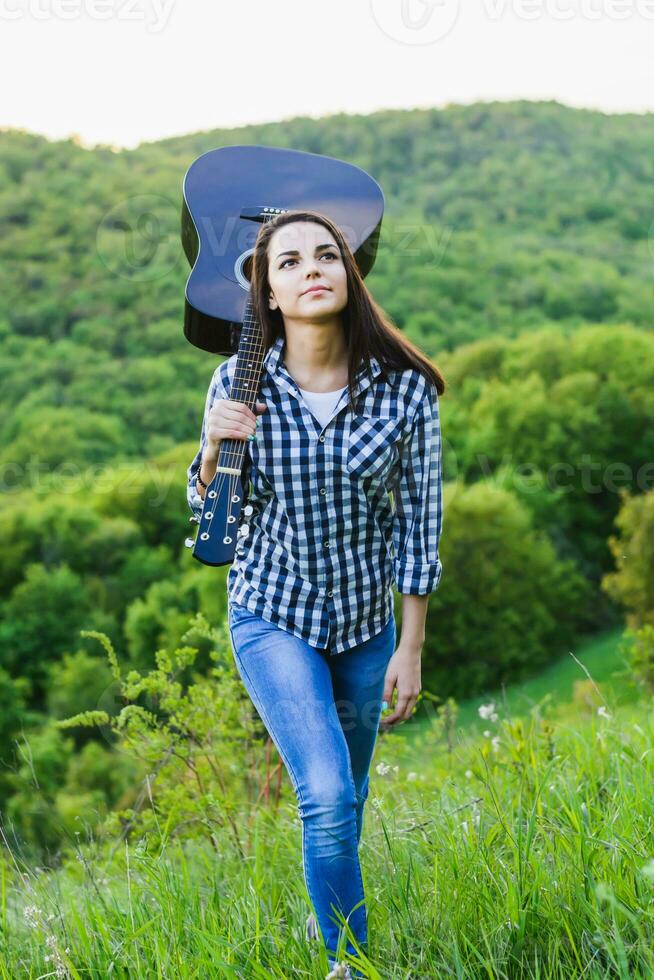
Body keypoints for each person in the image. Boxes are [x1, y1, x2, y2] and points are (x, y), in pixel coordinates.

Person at [187, 209, 446, 978]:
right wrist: (209, 450)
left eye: (327, 256)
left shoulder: (405, 392)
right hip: (274, 614)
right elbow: (207, 527)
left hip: (368, 625)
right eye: (290, 262)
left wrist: (410, 647)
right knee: (327, 794)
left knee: (350, 795)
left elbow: (420, 525)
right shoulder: (237, 384)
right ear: (266, 292)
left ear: (349, 273)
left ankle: (325, 912)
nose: (312, 270)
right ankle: (351, 964)